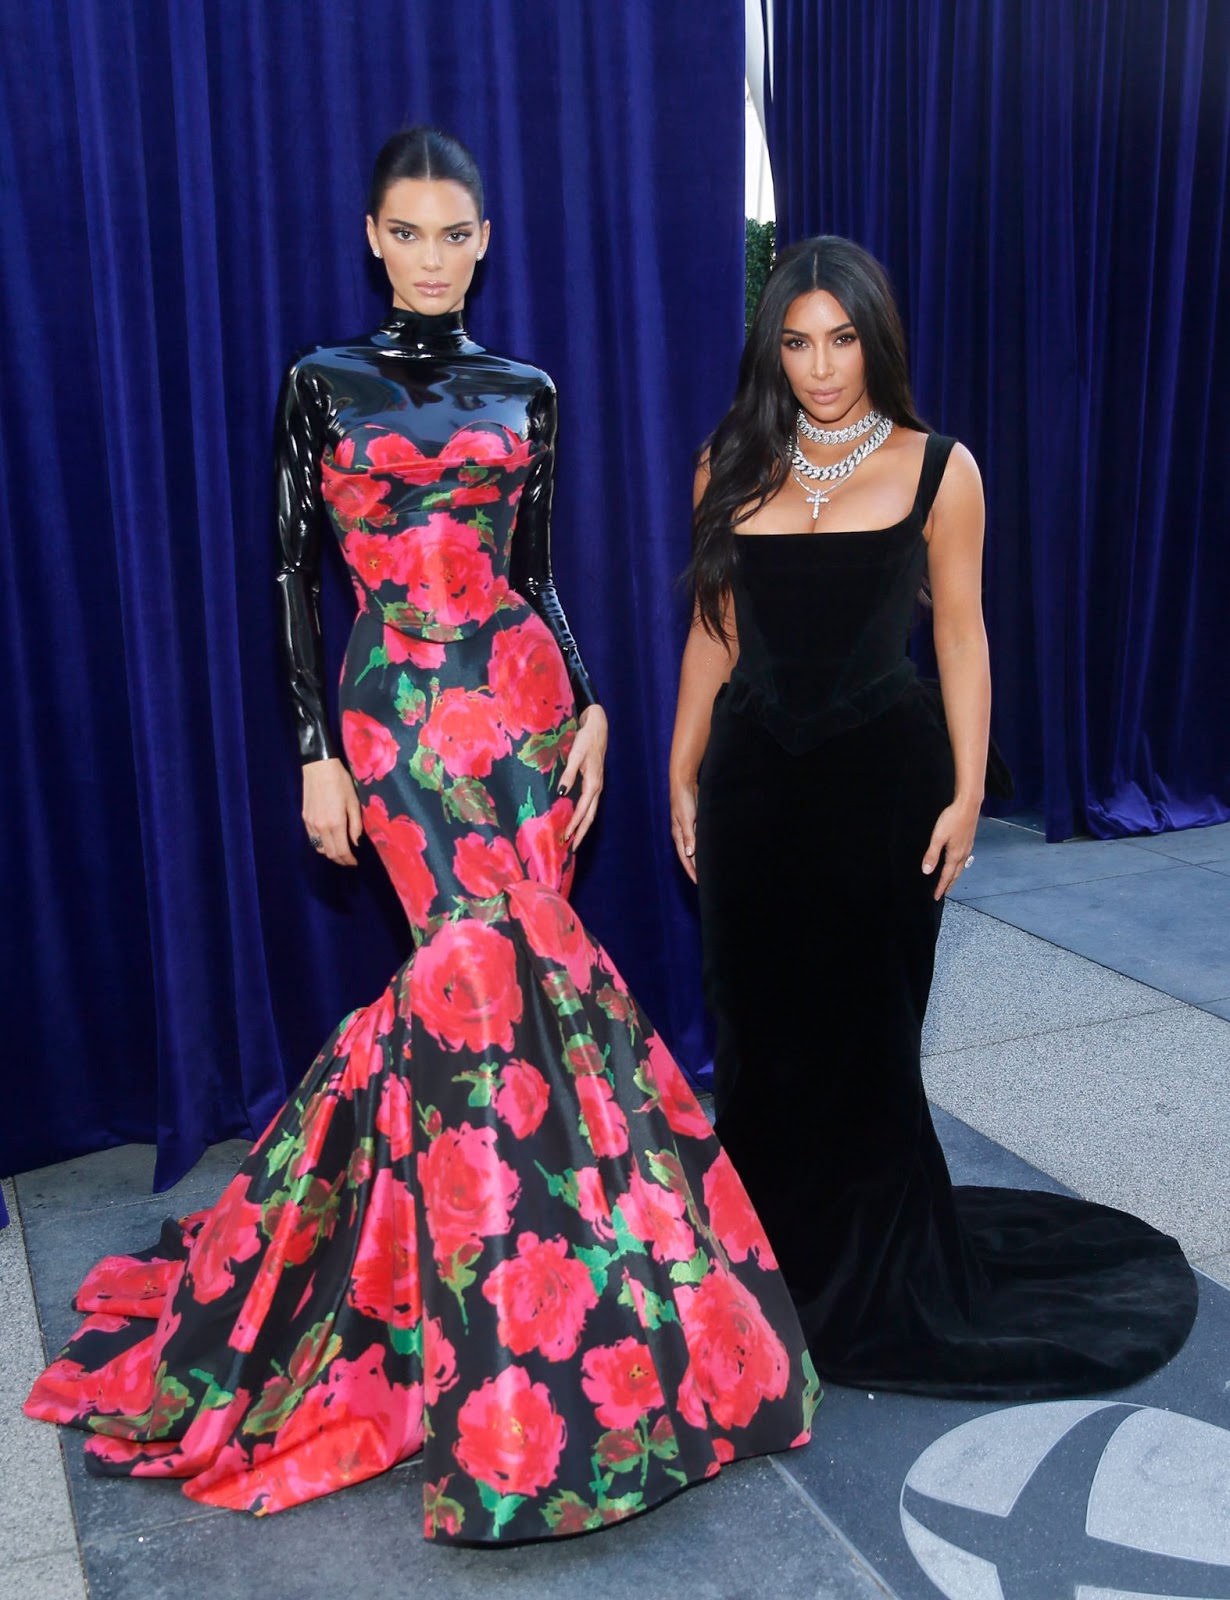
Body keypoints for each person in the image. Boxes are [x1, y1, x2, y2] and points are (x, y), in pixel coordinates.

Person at [25, 129, 818, 1542]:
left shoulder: (529, 389)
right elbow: (289, 576)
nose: (434, 256)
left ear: (484, 241)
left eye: (457, 233)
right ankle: (503, 1349)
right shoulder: (321, 382)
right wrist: (314, 754)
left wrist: (592, 704)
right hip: (392, 709)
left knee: (527, 989)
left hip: (521, 705)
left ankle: (545, 1296)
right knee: (472, 980)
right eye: (410, 232)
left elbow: (538, 576)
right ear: (374, 237)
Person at [669, 235, 1196, 1397]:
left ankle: (874, 1278)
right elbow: (715, 631)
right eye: (797, 342)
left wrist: (966, 790)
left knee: (868, 1035)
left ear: (876, 341)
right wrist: (681, 765)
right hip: (754, 787)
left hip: (883, 788)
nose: (821, 367)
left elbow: (961, 633)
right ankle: (766, 1272)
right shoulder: (730, 464)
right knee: (756, 1037)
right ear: (773, 350)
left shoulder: (939, 468)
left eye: (842, 339)